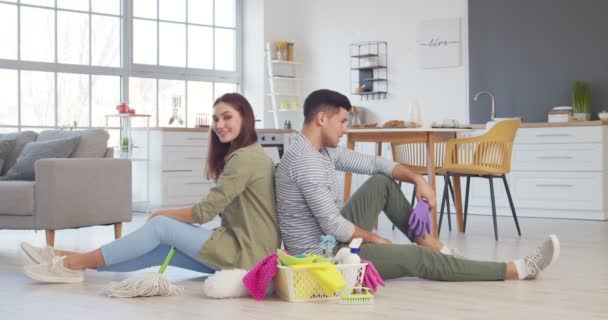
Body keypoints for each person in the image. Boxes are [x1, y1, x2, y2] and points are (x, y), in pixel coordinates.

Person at [275, 89, 559, 281]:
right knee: (414, 257)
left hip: (332, 239)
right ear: (321, 119)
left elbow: (376, 164)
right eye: (342, 121)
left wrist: (419, 181)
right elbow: (335, 228)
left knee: (381, 182)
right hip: (324, 261)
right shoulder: (305, 162)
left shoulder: (320, 150)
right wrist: (377, 240)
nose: (346, 128)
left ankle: (437, 248)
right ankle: (519, 269)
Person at [22, 93, 281, 283]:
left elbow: (204, 212)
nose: (219, 125)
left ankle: (68, 263)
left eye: (227, 117)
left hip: (246, 255)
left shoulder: (245, 158)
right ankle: (66, 259)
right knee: (160, 250)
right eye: (215, 119)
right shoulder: (250, 154)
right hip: (250, 254)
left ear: (245, 118)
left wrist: (162, 214)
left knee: (160, 227)